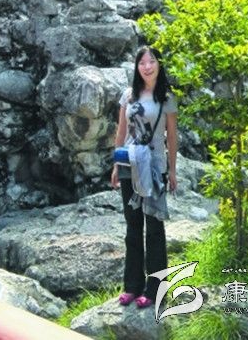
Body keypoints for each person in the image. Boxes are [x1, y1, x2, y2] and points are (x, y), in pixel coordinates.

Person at [111, 46, 178, 309]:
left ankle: (155, 289)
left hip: (154, 169)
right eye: (142, 62)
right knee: (133, 226)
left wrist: (172, 170)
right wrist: (116, 166)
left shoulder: (166, 98)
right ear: (137, 67)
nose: (147, 66)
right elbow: (121, 132)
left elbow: (172, 137)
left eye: (152, 61)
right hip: (129, 165)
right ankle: (132, 285)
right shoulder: (128, 95)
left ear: (159, 65)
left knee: (154, 228)